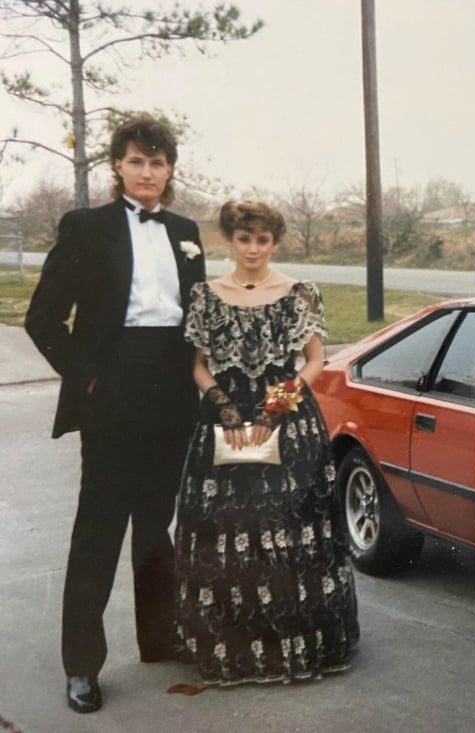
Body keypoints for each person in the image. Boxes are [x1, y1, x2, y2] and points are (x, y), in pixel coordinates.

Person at [24, 115, 205, 713]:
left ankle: (158, 638)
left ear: (170, 170)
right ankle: (81, 665)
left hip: (173, 389)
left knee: (157, 526)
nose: (147, 172)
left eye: (157, 162)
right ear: (117, 167)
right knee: (99, 530)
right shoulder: (85, 227)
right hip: (113, 386)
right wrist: (88, 377)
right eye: (136, 161)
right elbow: (43, 316)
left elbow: (199, 318)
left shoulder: (187, 230)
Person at [174, 200, 359, 686]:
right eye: (243, 238)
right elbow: (197, 363)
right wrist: (224, 405)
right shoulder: (206, 295)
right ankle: (234, 644)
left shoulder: (299, 293)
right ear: (229, 241)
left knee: (288, 529)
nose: (253, 248)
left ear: (274, 243)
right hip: (225, 421)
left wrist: (273, 407)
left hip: (289, 422)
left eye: (262, 240)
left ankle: (297, 646)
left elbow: (315, 360)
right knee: (229, 530)